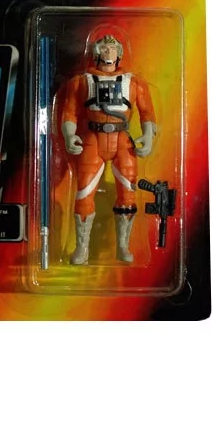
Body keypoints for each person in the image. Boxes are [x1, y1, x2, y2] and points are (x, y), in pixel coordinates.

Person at [61, 32, 156, 264]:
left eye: (113, 48)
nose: (108, 52)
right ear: (96, 52)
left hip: (122, 140)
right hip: (93, 139)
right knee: (84, 193)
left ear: (120, 53)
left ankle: (123, 246)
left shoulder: (134, 82)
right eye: (104, 48)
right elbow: (70, 112)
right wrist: (69, 135)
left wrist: (148, 136)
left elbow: (147, 112)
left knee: (128, 192)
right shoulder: (81, 82)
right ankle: (82, 249)